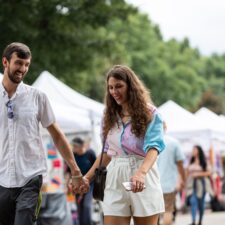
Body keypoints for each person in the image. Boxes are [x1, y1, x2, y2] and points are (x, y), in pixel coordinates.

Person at [0, 42, 87, 225]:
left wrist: (75, 170)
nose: (22, 69)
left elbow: (57, 135)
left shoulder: (37, 97)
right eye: (18, 63)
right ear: (5, 62)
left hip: (30, 177)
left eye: (26, 65)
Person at [82, 65, 166, 225]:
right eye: (111, 87)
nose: (114, 91)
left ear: (131, 86)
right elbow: (107, 152)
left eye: (119, 86)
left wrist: (141, 173)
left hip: (143, 174)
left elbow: (154, 148)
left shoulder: (151, 114)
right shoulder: (109, 116)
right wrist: (87, 178)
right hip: (115, 174)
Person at [157, 122, 186, 225]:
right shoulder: (173, 142)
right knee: (168, 211)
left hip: (153, 183)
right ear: (165, 127)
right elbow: (180, 164)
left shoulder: (150, 142)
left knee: (154, 213)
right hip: (169, 184)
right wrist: (183, 179)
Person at [66, 137, 96, 225]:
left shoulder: (90, 153)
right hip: (77, 185)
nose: (74, 148)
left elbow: (96, 168)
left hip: (90, 184)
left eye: (75, 146)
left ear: (82, 146)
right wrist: (68, 184)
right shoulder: (73, 156)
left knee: (87, 206)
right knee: (79, 207)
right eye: (73, 146)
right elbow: (68, 171)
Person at [186, 145, 213, 225]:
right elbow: (187, 171)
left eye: (195, 149)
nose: (193, 151)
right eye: (193, 150)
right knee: (193, 201)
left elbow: (209, 172)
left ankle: (200, 220)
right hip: (192, 184)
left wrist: (198, 174)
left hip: (202, 184)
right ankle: (193, 221)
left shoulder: (204, 162)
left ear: (199, 151)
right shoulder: (191, 161)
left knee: (201, 203)